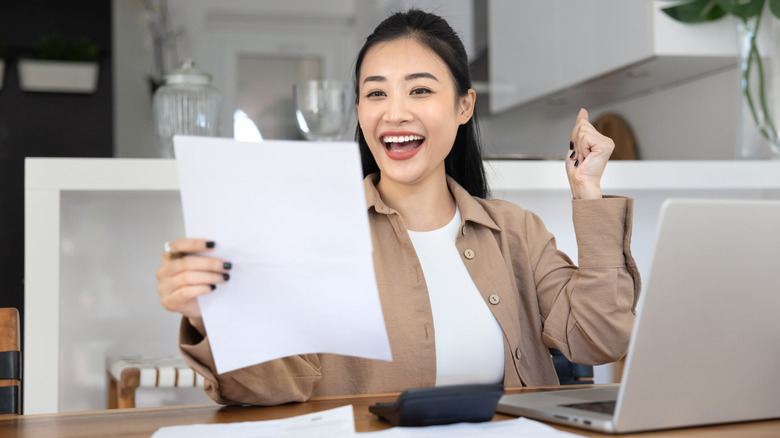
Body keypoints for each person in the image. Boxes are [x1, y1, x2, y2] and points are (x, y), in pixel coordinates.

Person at [156, 9, 640, 406]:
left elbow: (599, 339)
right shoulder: (317, 234)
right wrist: (209, 317)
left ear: (464, 106)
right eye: (376, 93)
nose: (395, 112)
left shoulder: (518, 233)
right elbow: (270, 388)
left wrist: (588, 195)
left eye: (421, 89)